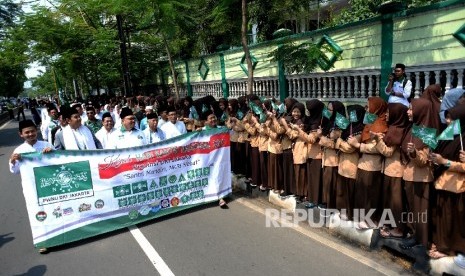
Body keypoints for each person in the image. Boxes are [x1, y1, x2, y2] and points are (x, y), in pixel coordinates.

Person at [9, 119, 53, 254]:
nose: (30, 134)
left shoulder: (46, 144)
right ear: (20, 134)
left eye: (32, 131)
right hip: (32, 189)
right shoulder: (19, 150)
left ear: (37, 131)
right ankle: (42, 242)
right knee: (38, 214)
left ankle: (58, 237)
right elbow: (14, 171)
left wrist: (52, 152)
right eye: (27, 132)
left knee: (53, 210)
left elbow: (57, 161)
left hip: (48, 184)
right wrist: (13, 161)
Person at [202, 111, 228, 207]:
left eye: (214, 117)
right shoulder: (203, 131)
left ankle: (221, 198)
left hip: (219, 159)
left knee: (219, 176)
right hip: (207, 159)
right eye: (210, 118)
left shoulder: (221, 129)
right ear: (206, 121)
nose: (213, 120)